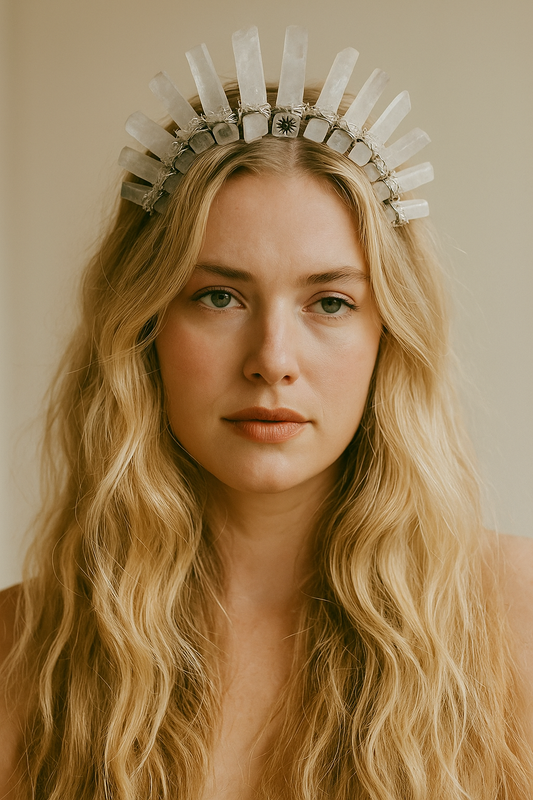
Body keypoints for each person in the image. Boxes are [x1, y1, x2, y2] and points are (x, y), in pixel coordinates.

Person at [1, 27, 533, 800]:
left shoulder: (514, 614)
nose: (272, 358)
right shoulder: (22, 650)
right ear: (143, 328)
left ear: (388, 335)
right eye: (219, 296)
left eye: (329, 302)